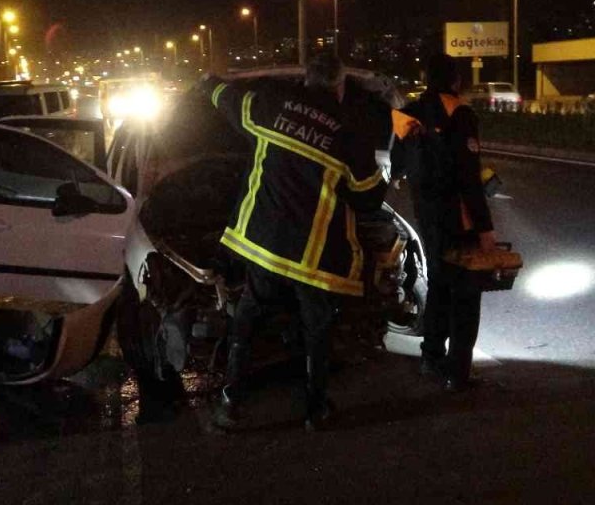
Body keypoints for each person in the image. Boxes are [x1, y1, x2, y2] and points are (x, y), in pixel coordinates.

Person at [202, 53, 387, 431]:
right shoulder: (350, 134)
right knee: (317, 330)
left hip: (263, 246)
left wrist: (208, 83)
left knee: (248, 320)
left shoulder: (270, 106)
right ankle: (315, 410)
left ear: (305, 79)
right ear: (339, 86)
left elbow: (226, 99)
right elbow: (369, 198)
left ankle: (230, 404)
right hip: (312, 259)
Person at [392, 53, 496, 391]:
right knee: (466, 294)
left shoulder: (408, 113)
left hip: (427, 215)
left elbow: (396, 165)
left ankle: (431, 358)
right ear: (455, 80)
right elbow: (468, 178)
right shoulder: (459, 113)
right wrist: (485, 229)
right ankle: (458, 374)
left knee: (438, 284)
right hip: (458, 219)